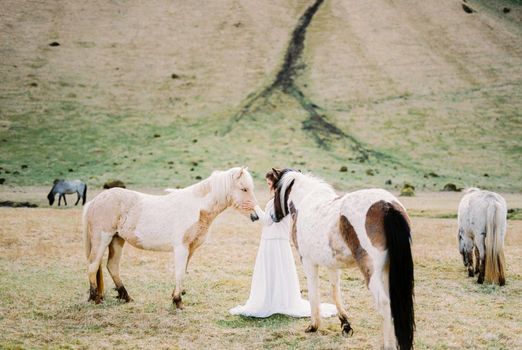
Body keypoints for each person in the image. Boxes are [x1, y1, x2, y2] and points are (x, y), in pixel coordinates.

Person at [229, 170, 337, 318]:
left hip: (275, 242)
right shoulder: (276, 201)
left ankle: (276, 302)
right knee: (274, 273)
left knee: (276, 272)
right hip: (271, 241)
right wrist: (253, 210)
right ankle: (274, 301)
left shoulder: (279, 202)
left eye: (269, 184)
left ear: (276, 183)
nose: (268, 187)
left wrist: (255, 206)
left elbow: (268, 221)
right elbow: (266, 221)